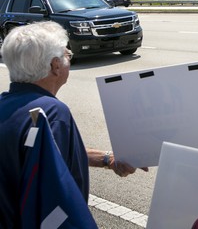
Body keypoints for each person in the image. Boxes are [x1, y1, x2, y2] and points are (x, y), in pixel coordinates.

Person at [0, 21, 147, 228]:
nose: (69, 58)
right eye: (67, 54)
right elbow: (56, 201)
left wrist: (108, 159)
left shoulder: (7, 107)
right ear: (55, 65)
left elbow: (51, 154)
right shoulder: (51, 113)